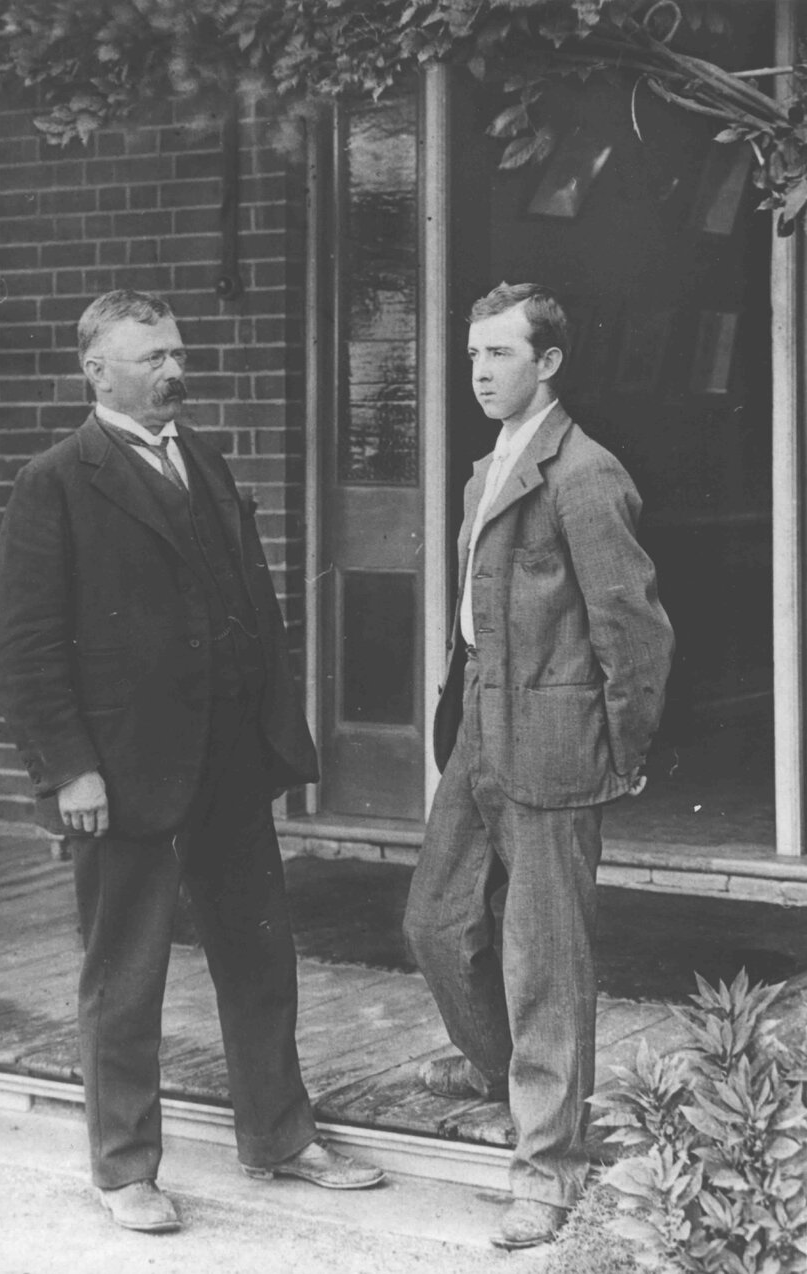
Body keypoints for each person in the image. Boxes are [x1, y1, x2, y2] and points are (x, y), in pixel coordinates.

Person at [0, 289, 383, 1235]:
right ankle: (124, 1168)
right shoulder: (57, 480)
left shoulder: (201, 457)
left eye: (177, 352)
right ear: (96, 371)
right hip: (121, 776)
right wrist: (69, 768)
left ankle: (279, 1137)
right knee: (124, 973)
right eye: (151, 357)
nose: (174, 370)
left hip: (227, 764)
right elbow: (22, 648)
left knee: (258, 953)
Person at [403, 283, 673, 1250]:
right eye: (473, 354)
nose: (480, 371)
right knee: (435, 919)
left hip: (555, 735)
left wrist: (622, 746)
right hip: (480, 717)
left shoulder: (585, 473)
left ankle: (549, 1169)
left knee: (544, 957)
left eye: (501, 354)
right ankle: (500, 1067)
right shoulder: (488, 471)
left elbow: (632, 627)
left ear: (549, 363)